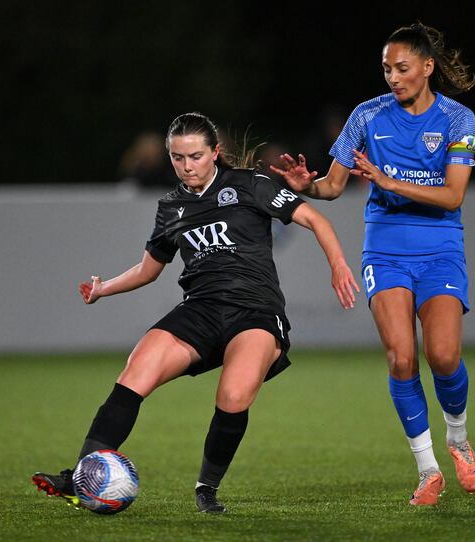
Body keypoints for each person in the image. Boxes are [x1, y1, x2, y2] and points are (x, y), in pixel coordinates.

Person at [33, 112, 359, 513]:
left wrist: (339, 264)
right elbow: (149, 270)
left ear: (215, 153)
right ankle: (82, 475)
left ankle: (207, 487)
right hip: (200, 309)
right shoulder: (172, 207)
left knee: (234, 394)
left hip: (254, 310)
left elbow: (313, 218)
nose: (187, 166)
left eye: (196, 156)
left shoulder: (249, 184)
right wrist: (104, 289)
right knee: (136, 372)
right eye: (177, 158)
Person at [271, 22, 475, 506]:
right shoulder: (367, 116)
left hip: (440, 247)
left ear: (428, 68)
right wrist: (307, 185)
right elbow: (333, 185)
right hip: (384, 250)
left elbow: (452, 196)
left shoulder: (456, 119)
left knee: (444, 355)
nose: (393, 77)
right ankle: (428, 468)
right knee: (400, 357)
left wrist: (388, 182)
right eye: (386, 68)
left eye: (402, 68)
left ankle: (458, 439)